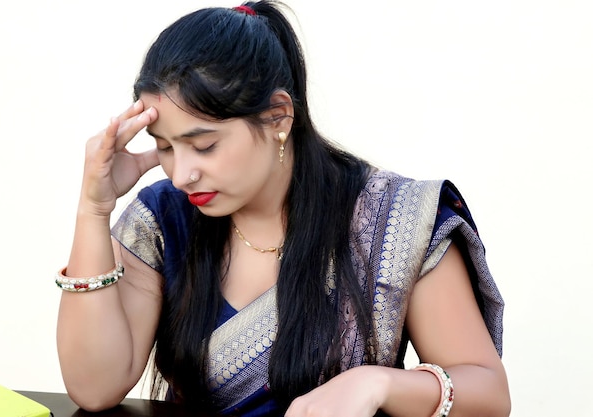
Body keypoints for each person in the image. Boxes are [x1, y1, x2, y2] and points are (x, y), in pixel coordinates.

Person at [55, 1, 511, 416]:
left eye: (204, 146)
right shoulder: (164, 221)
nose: (181, 175)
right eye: (166, 148)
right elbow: (94, 389)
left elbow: (488, 394)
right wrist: (93, 210)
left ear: (279, 116)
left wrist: (377, 383)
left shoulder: (394, 219)